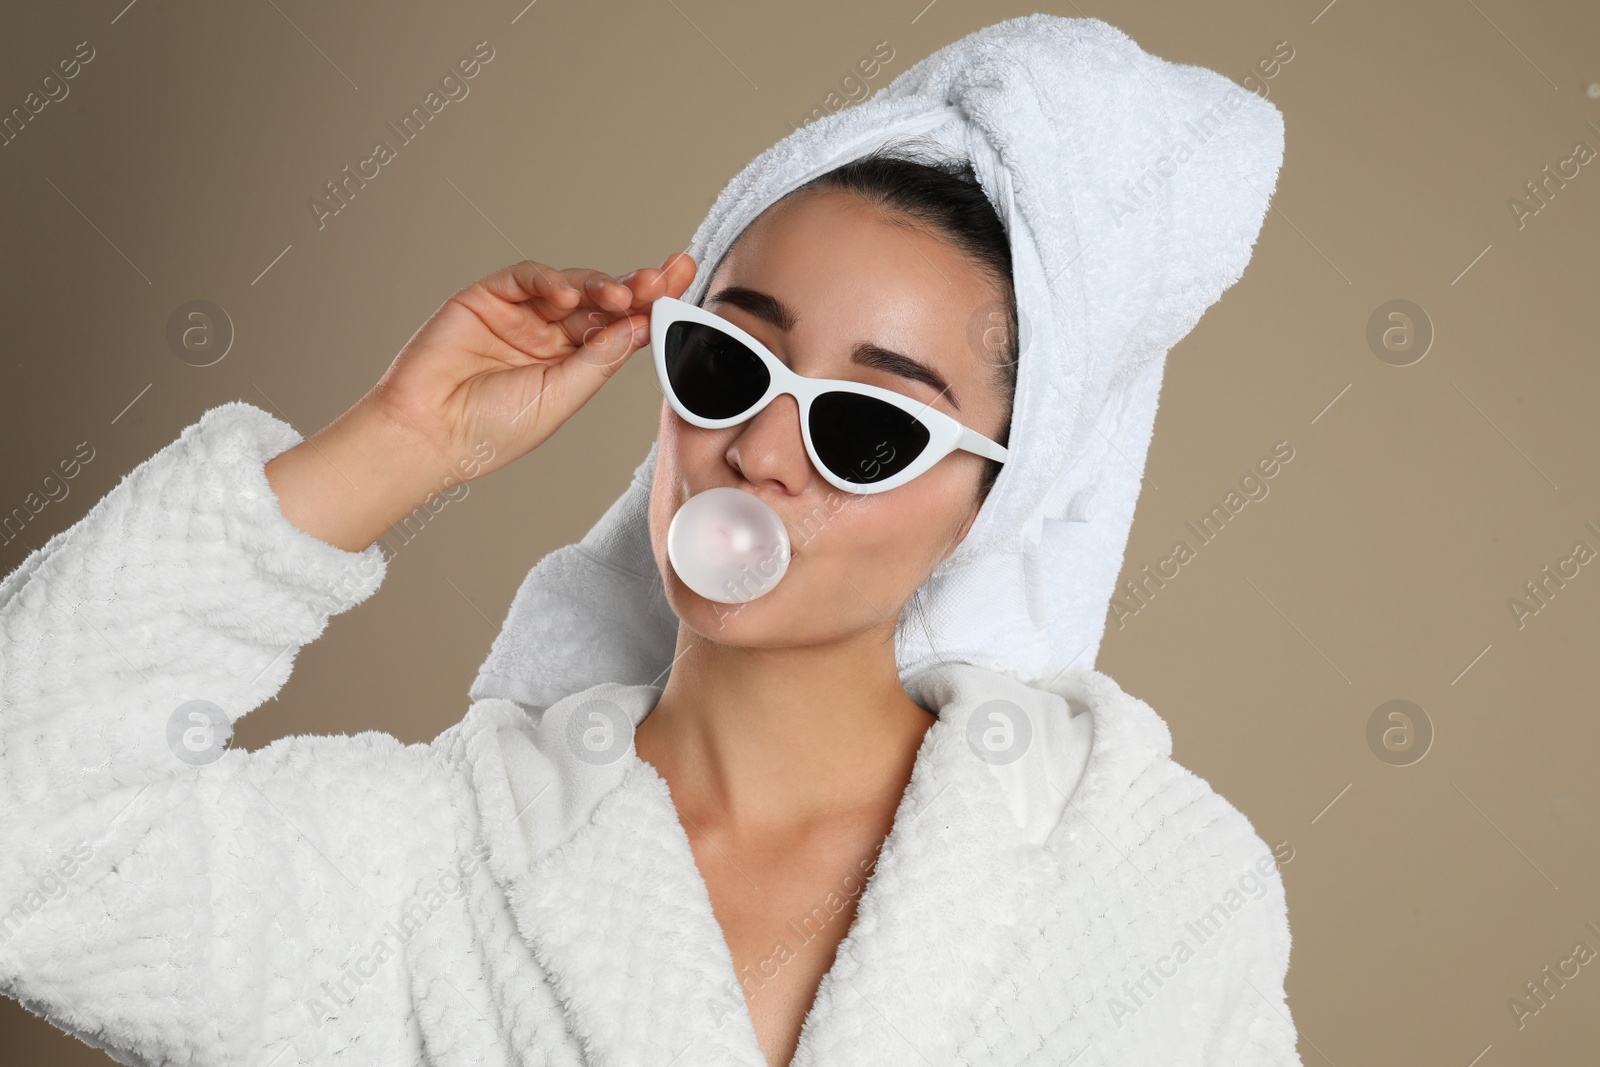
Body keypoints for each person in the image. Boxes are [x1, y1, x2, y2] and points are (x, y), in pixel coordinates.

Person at [0, 14, 1300, 1067]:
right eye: (730, 363)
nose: (763, 452)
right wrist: (400, 445)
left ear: (994, 501)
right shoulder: (434, 862)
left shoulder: (1146, 883)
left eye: (864, 428)